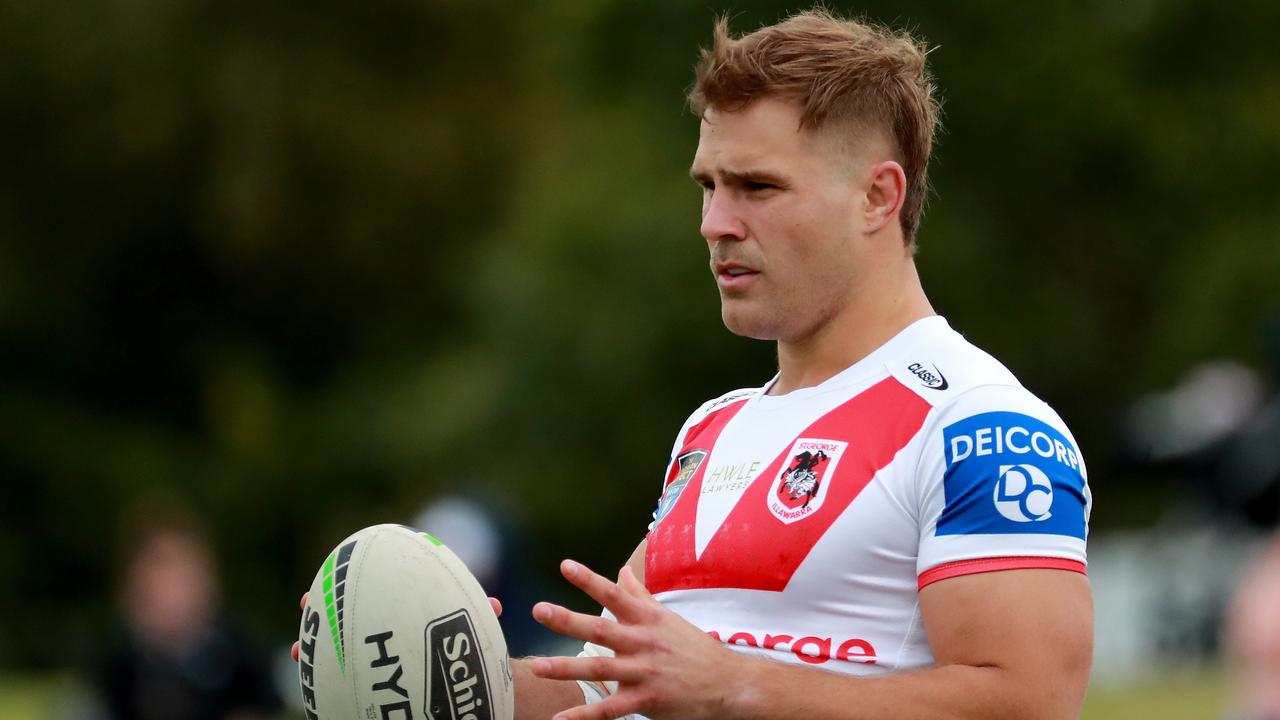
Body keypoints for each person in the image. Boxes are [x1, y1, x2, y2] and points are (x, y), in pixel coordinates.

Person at [295, 10, 1093, 719]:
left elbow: (1030, 702)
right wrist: (423, 673)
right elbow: (609, 689)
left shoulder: (982, 426)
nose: (715, 222)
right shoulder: (713, 429)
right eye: (709, 185)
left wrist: (736, 685)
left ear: (879, 197)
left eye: (757, 186)